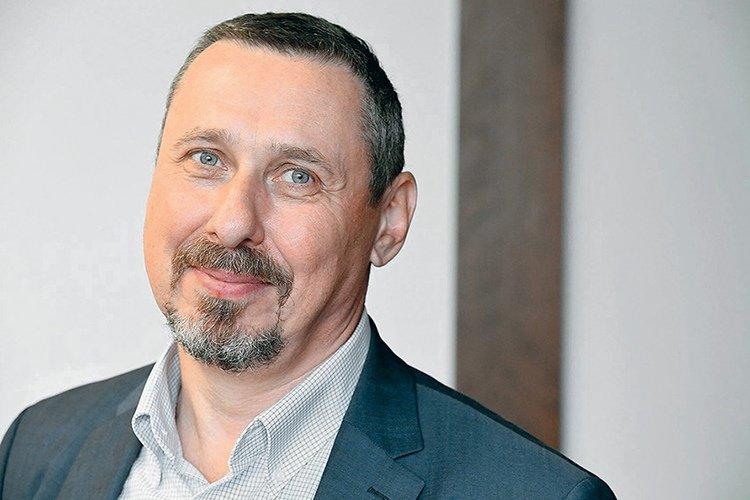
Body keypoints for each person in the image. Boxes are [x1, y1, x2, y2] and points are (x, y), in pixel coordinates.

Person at [0, 12, 615, 499]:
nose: (233, 223)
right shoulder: (35, 450)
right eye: (206, 159)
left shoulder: (533, 493)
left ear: (389, 222)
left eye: (298, 176)